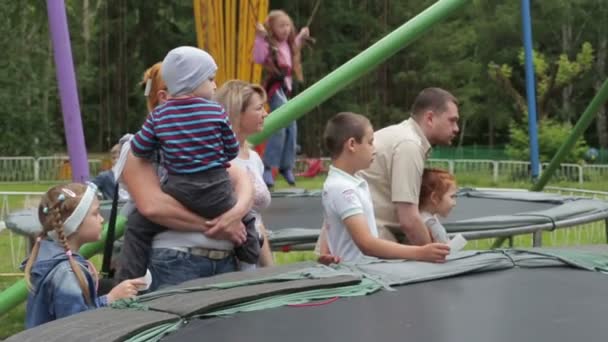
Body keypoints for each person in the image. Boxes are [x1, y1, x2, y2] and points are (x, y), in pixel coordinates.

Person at [126, 46, 260, 281]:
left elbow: (140, 147)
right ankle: (249, 260)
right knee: (248, 220)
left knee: (137, 225)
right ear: (194, 81)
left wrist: (164, 147)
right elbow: (231, 151)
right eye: (210, 79)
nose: (215, 85)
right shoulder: (217, 112)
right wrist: (232, 218)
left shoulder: (159, 117)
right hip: (216, 188)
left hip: (180, 188)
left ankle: (129, 278)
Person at [321, 112, 450, 263]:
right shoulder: (344, 189)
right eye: (370, 142)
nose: (374, 149)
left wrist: (326, 249)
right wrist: (420, 252)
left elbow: (332, 219)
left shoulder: (350, 181)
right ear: (351, 145)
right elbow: (367, 244)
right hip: (360, 271)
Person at [23, 183, 144, 328]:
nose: (101, 219)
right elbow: (77, 326)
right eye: (95, 213)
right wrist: (111, 298)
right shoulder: (67, 273)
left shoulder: (48, 258)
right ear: (74, 224)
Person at [360, 87, 460, 245]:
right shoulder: (409, 145)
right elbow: (409, 220)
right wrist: (433, 254)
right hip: (372, 247)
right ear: (430, 118)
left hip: (360, 241)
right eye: (452, 120)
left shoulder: (402, 136)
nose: (456, 129)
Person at [214, 80, 275, 269]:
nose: (265, 114)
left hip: (252, 252)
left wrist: (270, 268)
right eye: (258, 109)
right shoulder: (217, 158)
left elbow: (257, 219)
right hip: (226, 258)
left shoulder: (254, 158)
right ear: (237, 113)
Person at [253, 9, 310, 188]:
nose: (285, 29)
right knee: (279, 128)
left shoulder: (288, 45)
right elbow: (258, 57)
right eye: (281, 26)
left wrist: (302, 35)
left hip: (286, 91)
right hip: (275, 89)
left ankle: (286, 166)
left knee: (291, 128)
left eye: (287, 25)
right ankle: (268, 167)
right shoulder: (269, 44)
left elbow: (295, 47)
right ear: (272, 28)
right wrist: (260, 38)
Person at [419, 168, 457, 243]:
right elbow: (446, 248)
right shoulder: (431, 223)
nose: (454, 203)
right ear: (435, 198)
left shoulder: (420, 217)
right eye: (452, 197)